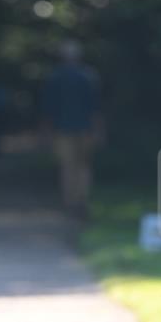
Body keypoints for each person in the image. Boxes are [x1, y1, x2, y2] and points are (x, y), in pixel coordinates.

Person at [41, 40, 103, 218]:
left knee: (67, 166)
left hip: (62, 129)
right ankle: (82, 200)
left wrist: (46, 132)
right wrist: (98, 130)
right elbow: (96, 107)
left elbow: (48, 108)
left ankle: (69, 202)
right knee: (84, 165)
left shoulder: (54, 77)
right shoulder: (89, 76)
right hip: (86, 128)